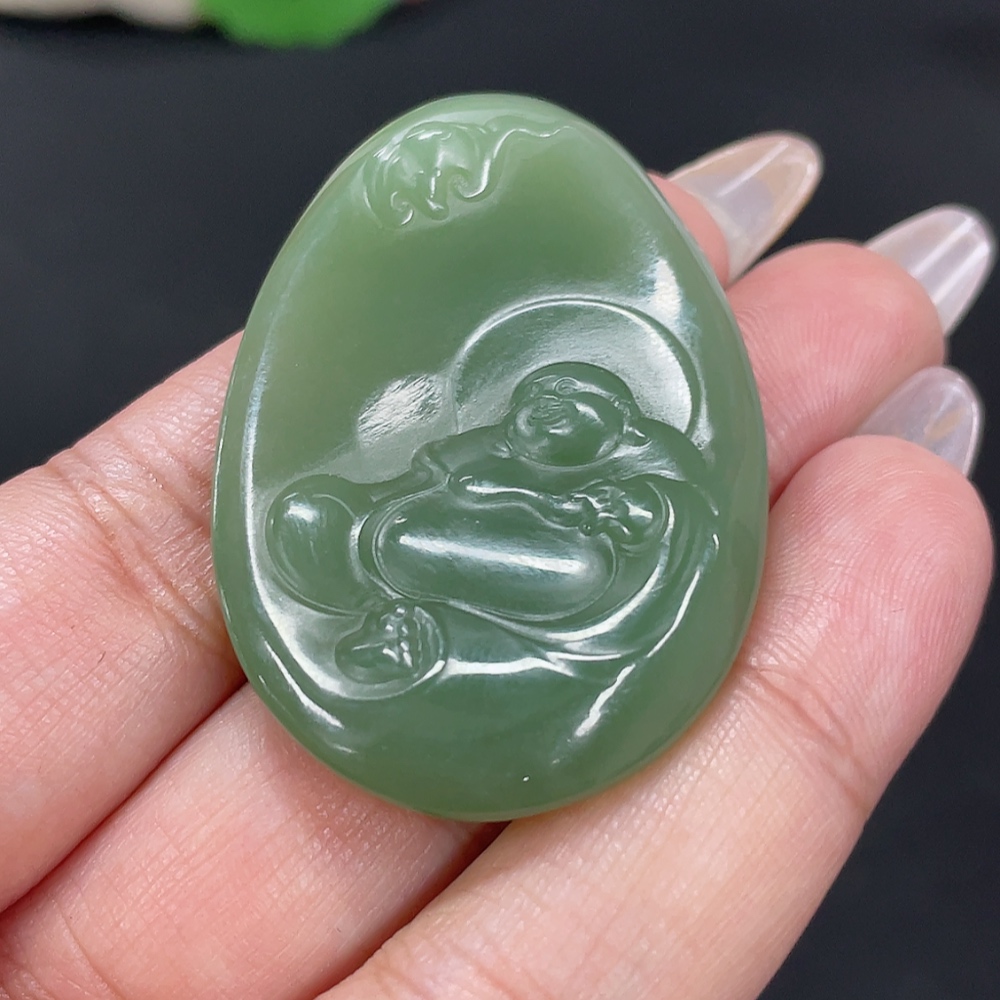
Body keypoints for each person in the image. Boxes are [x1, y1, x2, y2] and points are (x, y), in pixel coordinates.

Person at [0, 133, 993, 999]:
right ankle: (384, 600)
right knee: (337, 518)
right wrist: (408, 509)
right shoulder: (487, 451)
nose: (546, 417)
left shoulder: (645, 475)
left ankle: (394, 599)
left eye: (573, 408)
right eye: (535, 405)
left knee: (540, 561)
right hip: (448, 572)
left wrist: (602, 513)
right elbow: (422, 483)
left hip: (586, 594)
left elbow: (670, 526)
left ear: (613, 417)